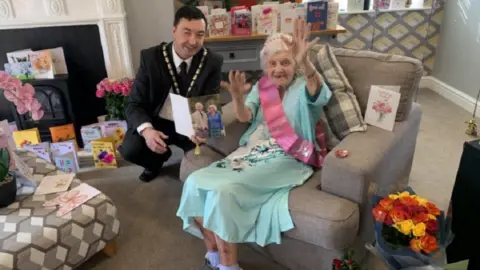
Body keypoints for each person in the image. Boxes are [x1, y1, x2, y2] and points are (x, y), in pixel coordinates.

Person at [176, 18, 332, 270]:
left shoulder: (304, 86)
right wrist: (237, 98)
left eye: (286, 62)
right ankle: (214, 256)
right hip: (252, 152)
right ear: (265, 66)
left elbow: (318, 92)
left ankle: (229, 266)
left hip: (289, 157)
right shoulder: (263, 87)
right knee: (194, 182)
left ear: (295, 64)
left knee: (223, 192)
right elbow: (244, 116)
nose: (278, 69)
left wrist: (306, 62)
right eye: (272, 63)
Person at [120, 5, 223, 182]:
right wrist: (147, 131)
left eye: (200, 35)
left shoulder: (212, 61)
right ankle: (156, 161)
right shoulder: (151, 58)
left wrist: (204, 131)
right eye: (187, 32)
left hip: (190, 122)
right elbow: (134, 104)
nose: (193, 41)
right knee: (130, 149)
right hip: (157, 120)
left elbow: (210, 102)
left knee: (206, 162)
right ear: (174, 31)